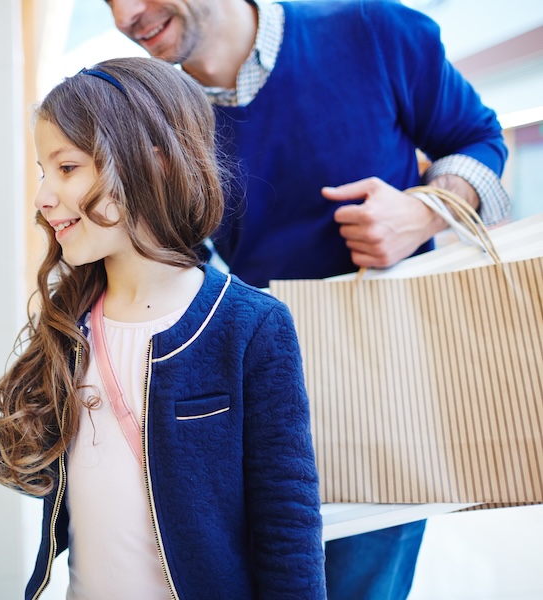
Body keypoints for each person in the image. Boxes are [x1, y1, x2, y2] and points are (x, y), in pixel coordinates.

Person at [102, 0, 511, 598]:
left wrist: (422, 212)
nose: (126, 14)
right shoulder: (159, 123)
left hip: (390, 401)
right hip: (243, 409)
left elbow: (480, 141)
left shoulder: (374, 30)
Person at [0, 56, 326, 599]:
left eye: (66, 168)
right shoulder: (72, 320)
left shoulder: (250, 325)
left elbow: (288, 528)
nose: (42, 196)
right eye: (43, 172)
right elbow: (35, 464)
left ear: (151, 164)